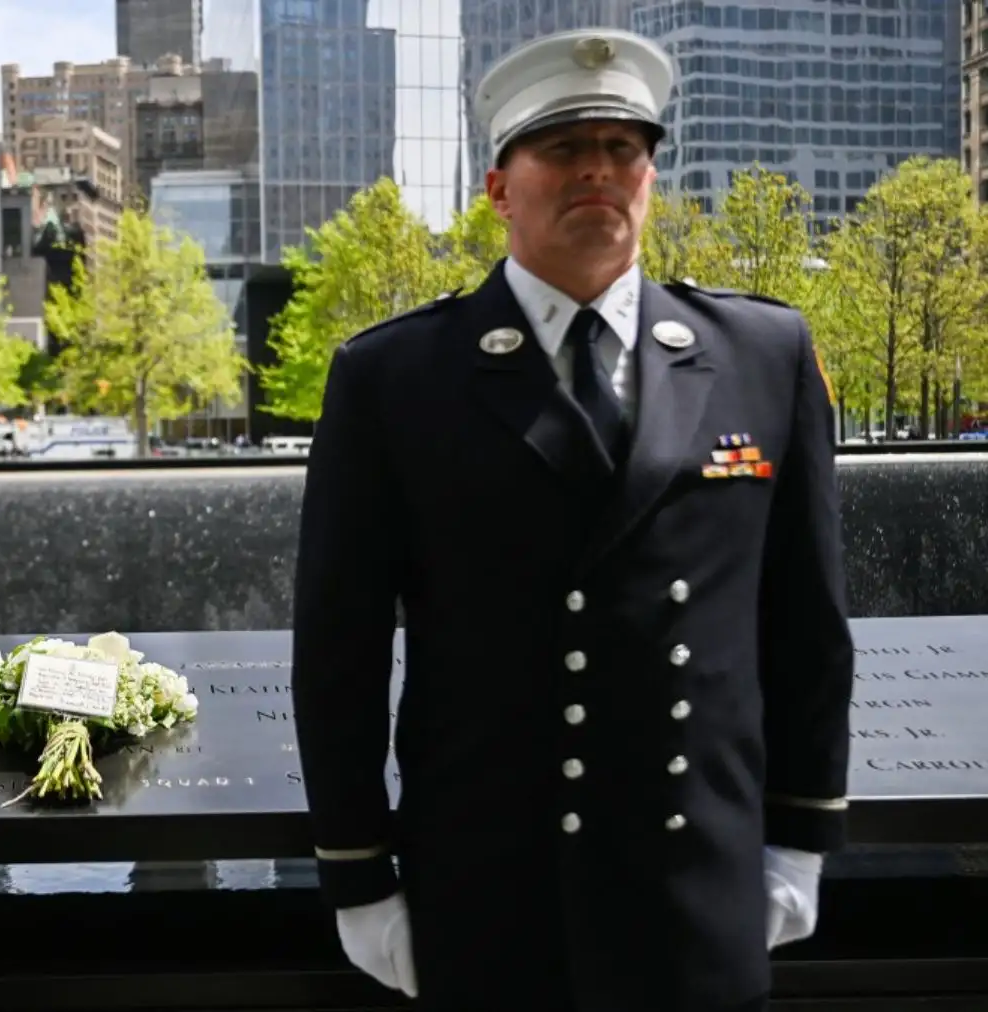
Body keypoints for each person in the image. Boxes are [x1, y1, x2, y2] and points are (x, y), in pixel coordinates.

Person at [288, 27, 852, 1012]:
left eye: (625, 147)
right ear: (500, 187)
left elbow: (808, 627)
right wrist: (359, 875)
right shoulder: (394, 378)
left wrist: (801, 839)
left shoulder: (764, 354)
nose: (599, 167)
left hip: (703, 890)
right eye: (562, 147)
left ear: (650, 177)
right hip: (485, 893)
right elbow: (338, 652)